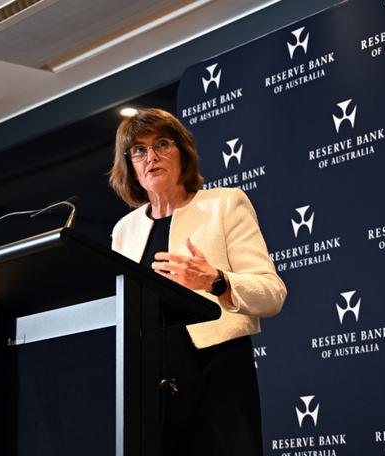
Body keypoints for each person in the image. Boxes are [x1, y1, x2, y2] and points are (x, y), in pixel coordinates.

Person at [108, 108, 286, 455]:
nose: (152, 157)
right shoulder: (124, 230)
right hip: (145, 380)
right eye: (139, 151)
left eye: (162, 144)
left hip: (215, 373)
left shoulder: (224, 204)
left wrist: (216, 282)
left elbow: (273, 293)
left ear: (183, 153)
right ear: (129, 165)